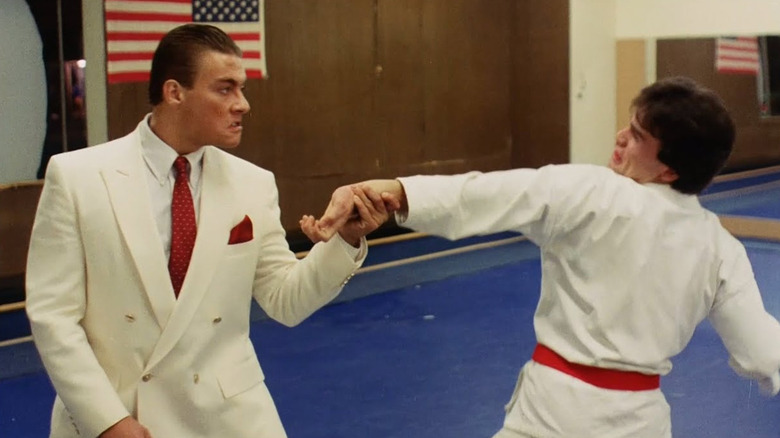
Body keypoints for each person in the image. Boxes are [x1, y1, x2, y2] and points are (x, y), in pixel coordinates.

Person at [302, 77, 780, 437]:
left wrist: (389, 193)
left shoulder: (593, 192)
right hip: (642, 422)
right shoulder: (722, 248)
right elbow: (762, 353)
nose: (619, 137)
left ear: (670, 168)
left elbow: (480, 196)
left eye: (635, 136)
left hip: (553, 415)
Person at [25, 23, 389, 438]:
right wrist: (106, 420)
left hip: (230, 419)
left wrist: (345, 239)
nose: (243, 104)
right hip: (120, 417)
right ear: (174, 92)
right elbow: (53, 316)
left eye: (243, 89)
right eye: (225, 89)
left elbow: (285, 300)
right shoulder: (78, 178)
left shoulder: (252, 183)